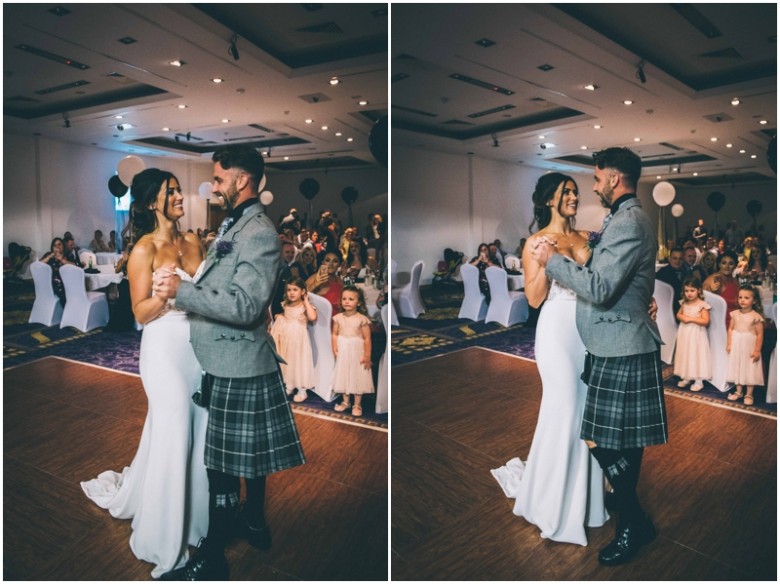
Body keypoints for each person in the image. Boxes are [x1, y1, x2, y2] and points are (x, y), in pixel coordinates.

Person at [154, 145, 305, 581]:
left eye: (218, 179)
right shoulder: (237, 222)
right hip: (229, 358)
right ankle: (254, 523)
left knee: (220, 468)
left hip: (237, 361)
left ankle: (212, 558)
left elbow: (243, 306)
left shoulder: (257, 230)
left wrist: (179, 293)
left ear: (241, 180)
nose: (213, 186)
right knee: (247, 458)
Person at [531, 147, 667, 566]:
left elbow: (602, 287)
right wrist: (641, 297)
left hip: (621, 343)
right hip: (611, 339)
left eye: (594, 178)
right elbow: (623, 277)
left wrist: (553, 261)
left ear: (613, 177)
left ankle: (632, 523)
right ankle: (634, 520)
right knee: (614, 438)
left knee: (606, 438)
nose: (591, 186)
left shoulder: (628, 220)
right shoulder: (621, 219)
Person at [80, 169, 209, 578]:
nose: (179, 196)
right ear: (153, 200)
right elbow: (139, 313)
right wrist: (164, 295)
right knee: (172, 428)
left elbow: (205, 295)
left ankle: (197, 522)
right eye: (171, 191)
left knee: (199, 429)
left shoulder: (193, 241)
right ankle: (164, 536)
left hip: (198, 347)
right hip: (165, 348)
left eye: (178, 189)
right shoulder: (143, 249)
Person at [491, 172, 609, 546]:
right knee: (565, 406)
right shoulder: (535, 241)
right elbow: (536, 299)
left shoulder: (584, 238)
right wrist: (546, 260)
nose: (574, 196)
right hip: (557, 329)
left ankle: (586, 500)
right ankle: (553, 502)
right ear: (548, 200)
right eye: (566, 192)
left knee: (586, 409)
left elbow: (597, 284)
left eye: (575, 191)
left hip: (586, 329)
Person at [270, 277, 317, 403]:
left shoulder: (304, 306)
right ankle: (289, 384)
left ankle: (302, 389)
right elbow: (286, 317)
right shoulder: (286, 304)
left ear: (302, 291)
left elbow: (312, 317)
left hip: (299, 340)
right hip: (286, 338)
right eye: (289, 290)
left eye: (295, 289)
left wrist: (306, 301)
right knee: (288, 360)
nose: (291, 292)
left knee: (298, 362)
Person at [331, 286, 374, 417]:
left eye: (351, 299)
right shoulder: (338, 318)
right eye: (344, 299)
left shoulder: (362, 319)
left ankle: (357, 404)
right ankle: (345, 402)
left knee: (357, 375)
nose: (347, 302)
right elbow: (334, 334)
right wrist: (334, 347)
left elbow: (367, 338)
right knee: (344, 374)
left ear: (359, 302)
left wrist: (367, 355)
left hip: (357, 350)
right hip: (343, 349)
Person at [726, 285, 765, 405]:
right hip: (737, 344)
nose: (742, 300)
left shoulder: (756, 316)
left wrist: (757, 350)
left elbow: (759, 334)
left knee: (749, 368)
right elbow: (731, 329)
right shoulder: (734, 314)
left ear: (754, 300)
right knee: (737, 366)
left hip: (749, 346)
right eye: (740, 297)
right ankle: (738, 391)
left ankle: (749, 394)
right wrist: (729, 343)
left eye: (746, 298)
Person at [673, 278, 712, 392]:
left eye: (692, 290)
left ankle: (698, 380)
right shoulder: (684, 303)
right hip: (685, 332)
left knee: (696, 354)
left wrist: (690, 319)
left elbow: (705, 321)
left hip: (696, 334)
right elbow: (678, 314)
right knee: (686, 353)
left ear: (699, 290)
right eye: (686, 291)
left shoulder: (702, 305)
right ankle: (687, 375)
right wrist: (682, 317)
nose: (689, 293)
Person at [703, 250, 739, 327]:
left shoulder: (735, 281)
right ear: (719, 265)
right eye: (723, 263)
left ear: (735, 266)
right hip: (720, 324)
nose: (727, 266)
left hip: (735, 320)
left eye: (731, 263)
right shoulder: (714, 279)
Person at [306, 249, 344, 317]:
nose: (331, 264)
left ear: (339, 264)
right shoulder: (313, 279)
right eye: (327, 260)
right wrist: (315, 284)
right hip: (320, 322)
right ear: (323, 262)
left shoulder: (340, 281)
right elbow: (301, 297)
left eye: (335, 261)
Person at [39, 237, 75, 305]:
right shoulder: (48, 255)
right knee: (63, 292)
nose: (57, 247)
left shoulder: (67, 255)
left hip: (66, 282)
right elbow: (38, 265)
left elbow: (75, 266)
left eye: (59, 245)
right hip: (51, 282)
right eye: (55, 245)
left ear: (63, 246)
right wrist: (49, 257)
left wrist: (62, 259)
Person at [655, 248, 686, 316]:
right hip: (668, 309)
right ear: (669, 259)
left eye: (680, 259)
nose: (677, 261)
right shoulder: (662, 273)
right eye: (675, 258)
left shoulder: (685, 272)